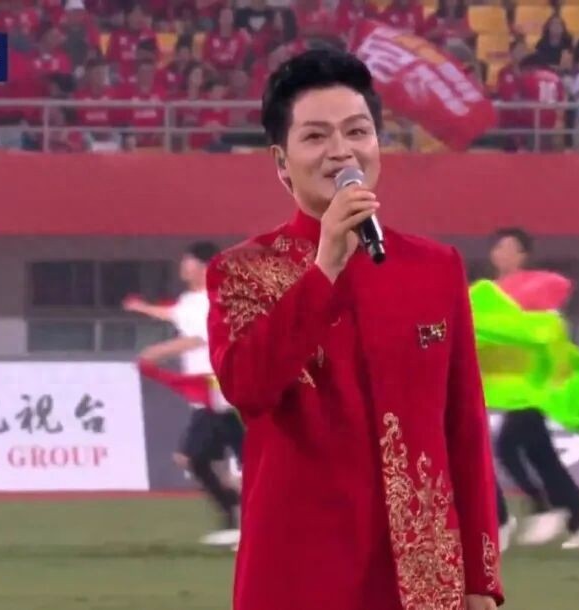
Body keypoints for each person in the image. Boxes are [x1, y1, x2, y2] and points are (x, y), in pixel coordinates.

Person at [205, 48, 503, 610]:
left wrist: (480, 577)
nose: (341, 151)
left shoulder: (435, 268)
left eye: (357, 131)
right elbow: (247, 387)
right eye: (316, 136)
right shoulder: (242, 272)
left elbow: (463, 427)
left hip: (423, 578)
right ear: (282, 162)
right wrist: (325, 268)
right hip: (298, 575)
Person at [125, 242, 244, 548]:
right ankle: (234, 513)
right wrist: (143, 308)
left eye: (187, 262)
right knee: (203, 459)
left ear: (203, 267)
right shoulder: (190, 301)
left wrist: (157, 352)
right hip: (208, 398)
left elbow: (198, 339)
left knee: (201, 459)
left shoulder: (215, 299)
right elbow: (175, 314)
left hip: (221, 393)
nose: (182, 267)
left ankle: (238, 516)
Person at [489, 228, 579, 551]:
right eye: (499, 247)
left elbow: (551, 330)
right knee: (542, 454)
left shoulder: (535, 288)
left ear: (523, 256)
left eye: (510, 248)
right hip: (514, 387)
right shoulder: (490, 294)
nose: (503, 253)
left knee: (508, 445)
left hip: (538, 387)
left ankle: (544, 506)